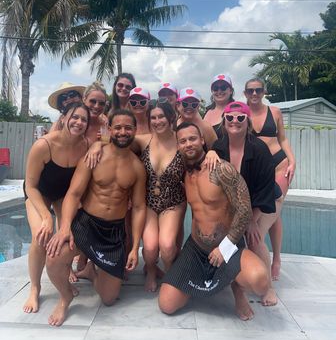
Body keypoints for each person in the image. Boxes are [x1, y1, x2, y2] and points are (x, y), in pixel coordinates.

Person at [45, 109, 147, 326]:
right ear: (109, 129)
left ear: (134, 130)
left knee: (109, 299)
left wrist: (135, 246)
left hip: (113, 233)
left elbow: (138, 207)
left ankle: (91, 272)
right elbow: (73, 194)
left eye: (128, 127)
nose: (122, 132)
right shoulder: (94, 156)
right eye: (117, 127)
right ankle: (66, 297)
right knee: (53, 258)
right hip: (87, 223)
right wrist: (64, 228)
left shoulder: (138, 168)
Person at [159, 122, 268, 320]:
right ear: (178, 146)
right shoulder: (183, 171)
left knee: (260, 281)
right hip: (197, 248)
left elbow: (244, 211)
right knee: (167, 305)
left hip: (227, 246)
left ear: (202, 140)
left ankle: (237, 290)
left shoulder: (222, 169)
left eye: (192, 138)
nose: (188, 144)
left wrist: (224, 248)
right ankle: (201, 280)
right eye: (182, 141)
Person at [22, 102, 91, 314]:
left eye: (84, 120)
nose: (79, 122)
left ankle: (64, 270)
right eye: (75, 117)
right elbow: (30, 186)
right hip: (39, 193)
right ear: (64, 119)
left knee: (67, 236)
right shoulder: (44, 145)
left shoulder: (85, 145)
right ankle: (35, 287)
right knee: (41, 237)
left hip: (63, 195)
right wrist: (45, 216)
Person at [211, 101, 280, 308]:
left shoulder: (259, 150)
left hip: (264, 201)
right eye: (229, 118)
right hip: (238, 205)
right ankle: (230, 277)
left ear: (248, 122)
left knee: (254, 236)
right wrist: (210, 153)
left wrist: (251, 220)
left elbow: (265, 190)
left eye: (240, 117)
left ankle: (268, 287)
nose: (235, 121)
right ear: (223, 122)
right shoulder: (219, 147)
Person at [244, 78, 296, 280]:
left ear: (264, 91)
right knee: (275, 215)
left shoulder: (274, 112)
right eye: (250, 91)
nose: (254, 94)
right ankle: (273, 260)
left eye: (258, 90)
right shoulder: (241, 112)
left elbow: (282, 138)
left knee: (262, 221)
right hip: (257, 171)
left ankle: (271, 265)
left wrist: (292, 161)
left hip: (279, 166)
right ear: (245, 93)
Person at [134, 99, 187, 292]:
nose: (157, 121)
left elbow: (201, 148)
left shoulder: (181, 140)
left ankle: (170, 272)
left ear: (171, 117)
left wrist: (213, 151)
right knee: (149, 249)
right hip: (148, 203)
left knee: (166, 246)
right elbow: (117, 143)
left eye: (161, 116)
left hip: (173, 202)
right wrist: (98, 146)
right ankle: (150, 270)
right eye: (153, 117)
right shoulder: (143, 140)